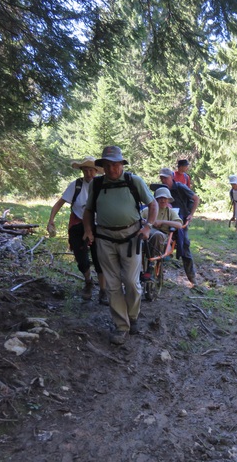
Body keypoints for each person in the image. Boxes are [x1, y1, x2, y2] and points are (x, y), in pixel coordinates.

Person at [83, 146, 158, 345]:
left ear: (121, 164)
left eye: (115, 164)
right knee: (113, 284)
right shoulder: (97, 184)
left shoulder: (134, 181)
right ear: (103, 167)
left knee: (132, 282)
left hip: (131, 238)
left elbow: (153, 205)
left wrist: (148, 227)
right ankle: (121, 326)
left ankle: (133, 316)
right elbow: (89, 210)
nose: (112, 169)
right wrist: (88, 230)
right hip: (105, 239)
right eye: (107, 165)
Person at [47, 156, 107, 304]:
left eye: (91, 170)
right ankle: (88, 281)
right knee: (81, 258)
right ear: (82, 171)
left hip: (97, 225)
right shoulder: (76, 185)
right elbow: (59, 203)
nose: (88, 173)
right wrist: (51, 220)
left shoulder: (102, 185)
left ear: (96, 171)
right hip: (78, 225)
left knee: (100, 259)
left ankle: (103, 291)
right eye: (85, 170)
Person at [158, 167, 199, 286]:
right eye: (161, 178)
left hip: (181, 218)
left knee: (185, 244)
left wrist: (191, 214)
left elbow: (196, 199)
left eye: (165, 178)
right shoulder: (161, 189)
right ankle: (156, 274)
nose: (163, 180)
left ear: (171, 177)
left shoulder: (180, 187)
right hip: (165, 217)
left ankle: (192, 278)